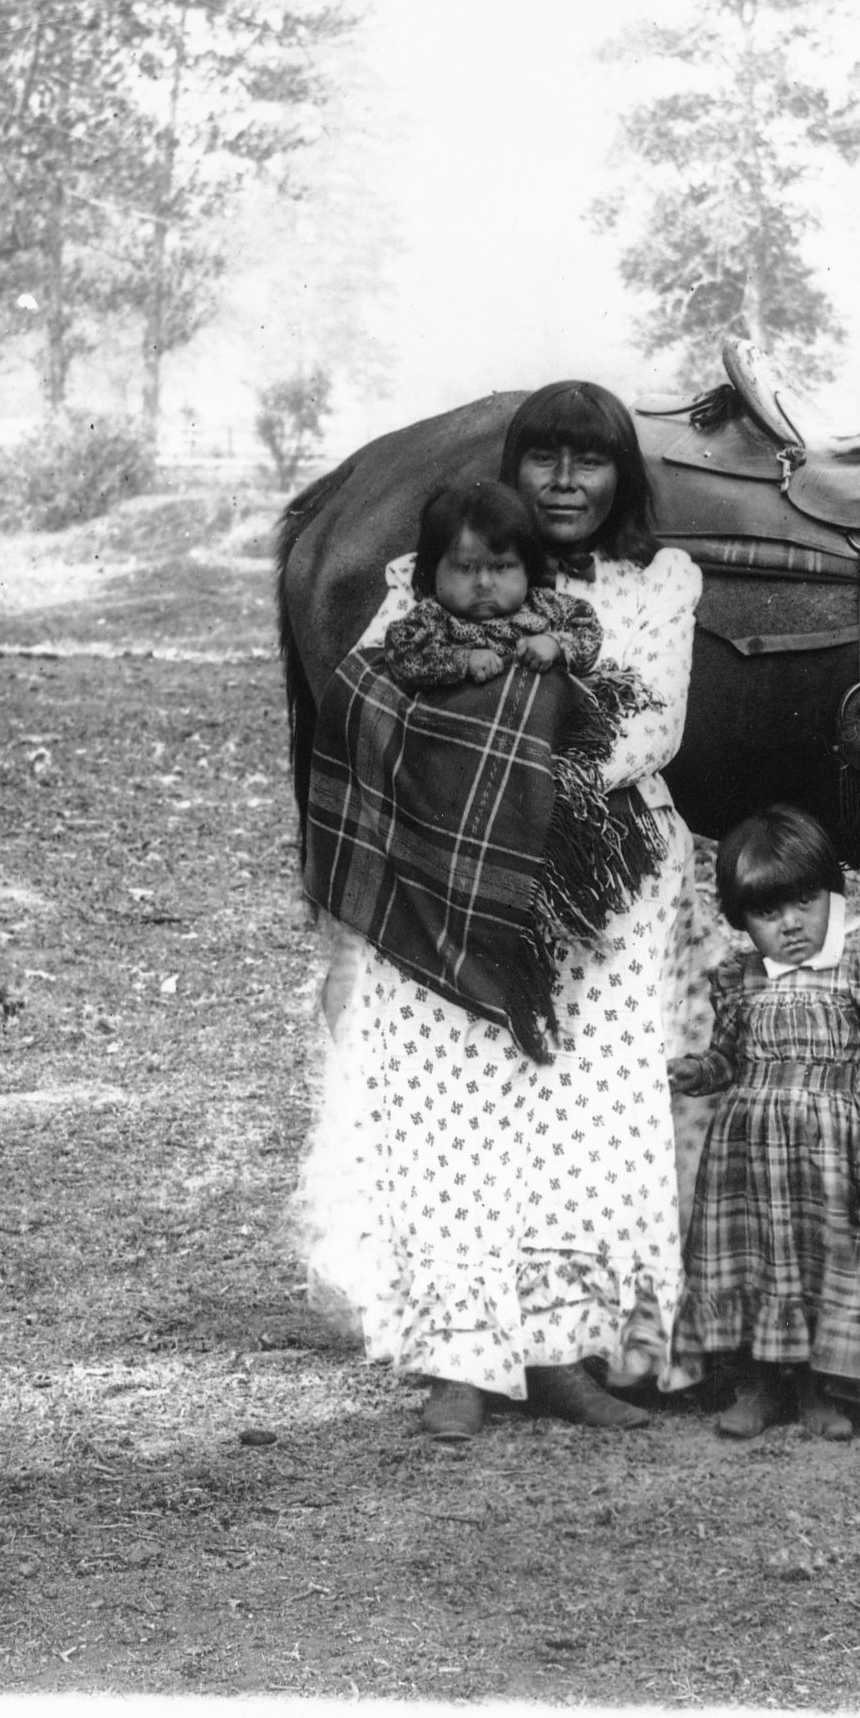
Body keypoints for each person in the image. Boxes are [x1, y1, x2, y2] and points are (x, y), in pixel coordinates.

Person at [298, 381, 709, 1444]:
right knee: (454, 1119)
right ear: (510, 466)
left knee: (581, 1121)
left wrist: (517, 777)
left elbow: (649, 725)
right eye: (544, 458)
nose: (565, 480)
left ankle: (563, 1352)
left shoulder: (654, 584)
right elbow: (369, 702)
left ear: (623, 474)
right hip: (443, 882)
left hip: (595, 888)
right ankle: (459, 1356)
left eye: (591, 459)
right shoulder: (422, 580)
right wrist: (462, 785)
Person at [667, 805, 860, 1442]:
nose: (792, 925)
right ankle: (759, 1384)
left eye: (805, 901)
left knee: (821, 1260)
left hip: (828, 1155)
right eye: (768, 914)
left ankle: (818, 1387)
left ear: (834, 894)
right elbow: (726, 1058)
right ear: (742, 921)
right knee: (760, 1264)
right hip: (749, 1154)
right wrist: (697, 1070)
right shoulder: (737, 981)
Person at [379, 480, 601, 690]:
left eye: (502, 566)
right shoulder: (432, 617)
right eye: (465, 567)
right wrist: (462, 661)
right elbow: (401, 655)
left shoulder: (545, 605)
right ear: (433, 570)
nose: (484, 583)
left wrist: (556, 644)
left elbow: (588, 628)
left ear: (528, 568)